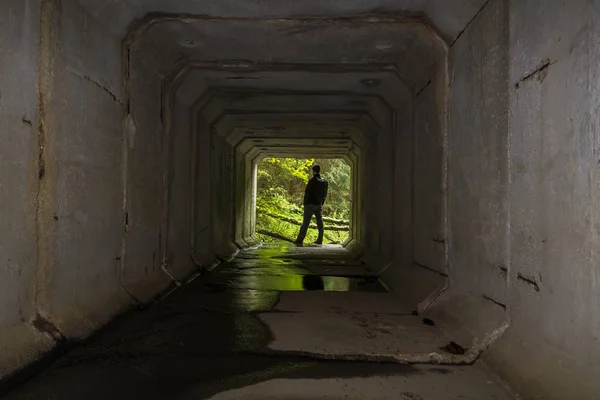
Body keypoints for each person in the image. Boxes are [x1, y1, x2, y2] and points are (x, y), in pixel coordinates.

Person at [294, 164, 328, 246]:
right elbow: (324, 194)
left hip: (309, 204)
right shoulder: (324, 182)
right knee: (320, 223)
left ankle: (300, 239)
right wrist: (321, 203)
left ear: (313, 171)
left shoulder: (312, 181)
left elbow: (307, 193)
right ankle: (320, 239)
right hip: (318, 204)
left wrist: (305, 203)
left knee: (305, 223)